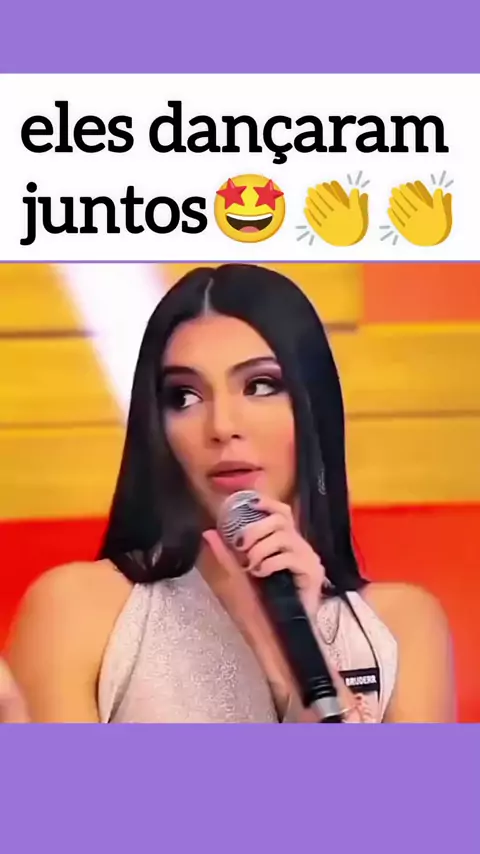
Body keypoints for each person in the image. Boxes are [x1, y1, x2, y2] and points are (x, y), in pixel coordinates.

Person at [1, 264, 455, 723]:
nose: (221, 426)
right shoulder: (76, 609)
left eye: (260, 386)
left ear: (312, 406)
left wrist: (297, 656)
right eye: (184, 397)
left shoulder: (403, 624)